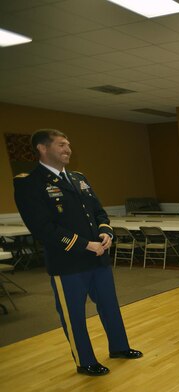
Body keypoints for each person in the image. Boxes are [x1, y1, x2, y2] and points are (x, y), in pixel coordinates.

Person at [13, 129, 142, 376]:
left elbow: (98, 212)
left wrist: (106, 233)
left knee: (110, 306)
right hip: (68, 262)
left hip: (98, 255)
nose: (68, 149)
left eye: (68, 145)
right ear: (42, 148)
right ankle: (85, 361)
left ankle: (119, 347)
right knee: (74, 315)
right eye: (61, 145)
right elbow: (42, 228)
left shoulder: (77, 177)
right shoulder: (29, 182)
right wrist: (84, 244)